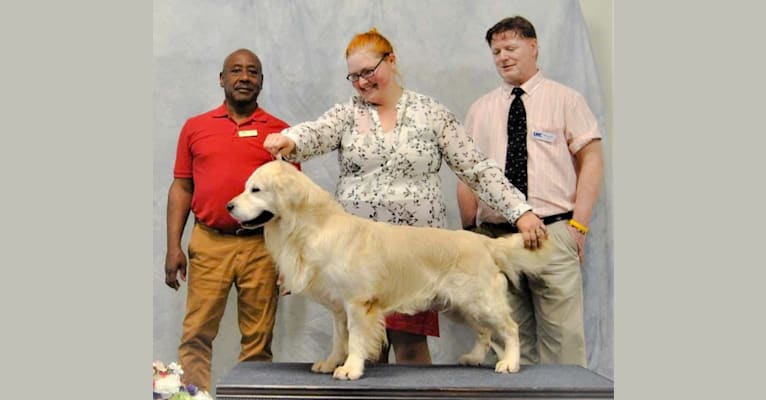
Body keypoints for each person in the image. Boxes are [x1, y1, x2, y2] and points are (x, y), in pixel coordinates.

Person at [263, 28, 547, 365]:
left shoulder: (432, 113)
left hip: (416, 255)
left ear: (391, 60)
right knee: (363, 354)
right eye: (353, 77)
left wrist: (519, 211)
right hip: (353, 254)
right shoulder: (346, 115)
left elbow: (475, 169)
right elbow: (315, 132)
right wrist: (290, 140)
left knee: (411, 349)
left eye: (368, 72)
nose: (362, 83)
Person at [457, 16, 604, 367]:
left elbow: (592, 162)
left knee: (563, 342)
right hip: (495, 237)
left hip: (553, 234)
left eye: (511, 48)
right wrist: (471, 233)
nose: (503, 57)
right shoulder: (480, 109)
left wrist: (578, 227)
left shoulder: (566, 99)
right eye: (495, 52)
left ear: (534, 46)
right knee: (508, 343)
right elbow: (466, 173)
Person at [164, 48, 298, 391]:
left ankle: (250, 399)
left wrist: (290, 257)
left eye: (252, 72)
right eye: (236, 71)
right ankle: (193, 398)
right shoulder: (196, 128)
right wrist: (172, 247)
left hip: (262, 247)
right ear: (222, 79)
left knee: (258, 340)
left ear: (261, 82)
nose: (244, 78)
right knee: (196, 335)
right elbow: (181, 187)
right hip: (209, 243)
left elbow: (291, 202)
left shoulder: (280, 133)